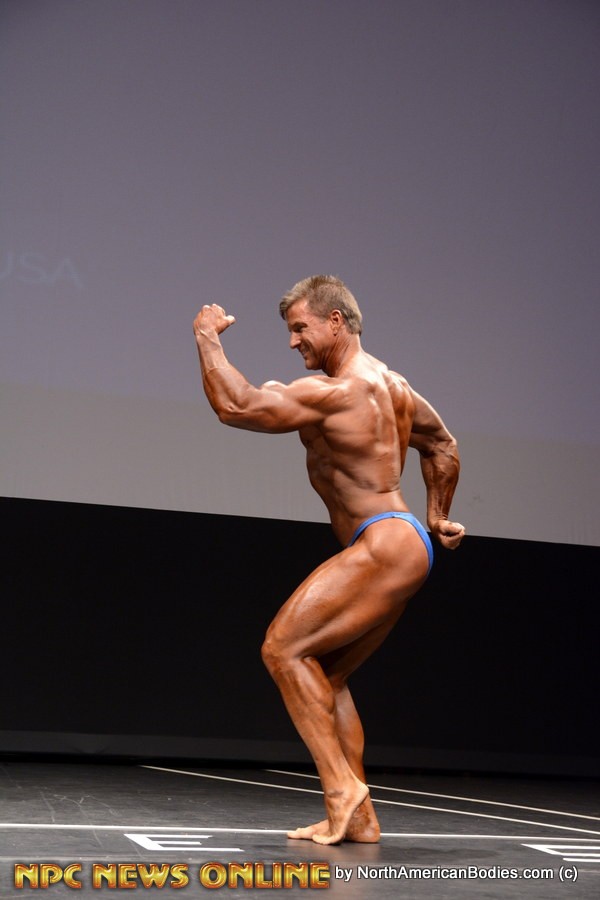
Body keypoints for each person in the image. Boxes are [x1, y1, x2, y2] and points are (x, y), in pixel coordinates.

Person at [193, 275, 464, 846]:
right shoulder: (393, 385)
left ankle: (342, 791)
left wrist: (206, 338)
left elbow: (236, 405)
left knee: (282, 648)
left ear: (335, 321)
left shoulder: (339, 392)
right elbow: (442, 444)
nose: (294, 341)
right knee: (327, 675)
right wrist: (438, 516)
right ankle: (360, 818)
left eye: (301, 328)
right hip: (404, 541)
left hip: (383, 541)